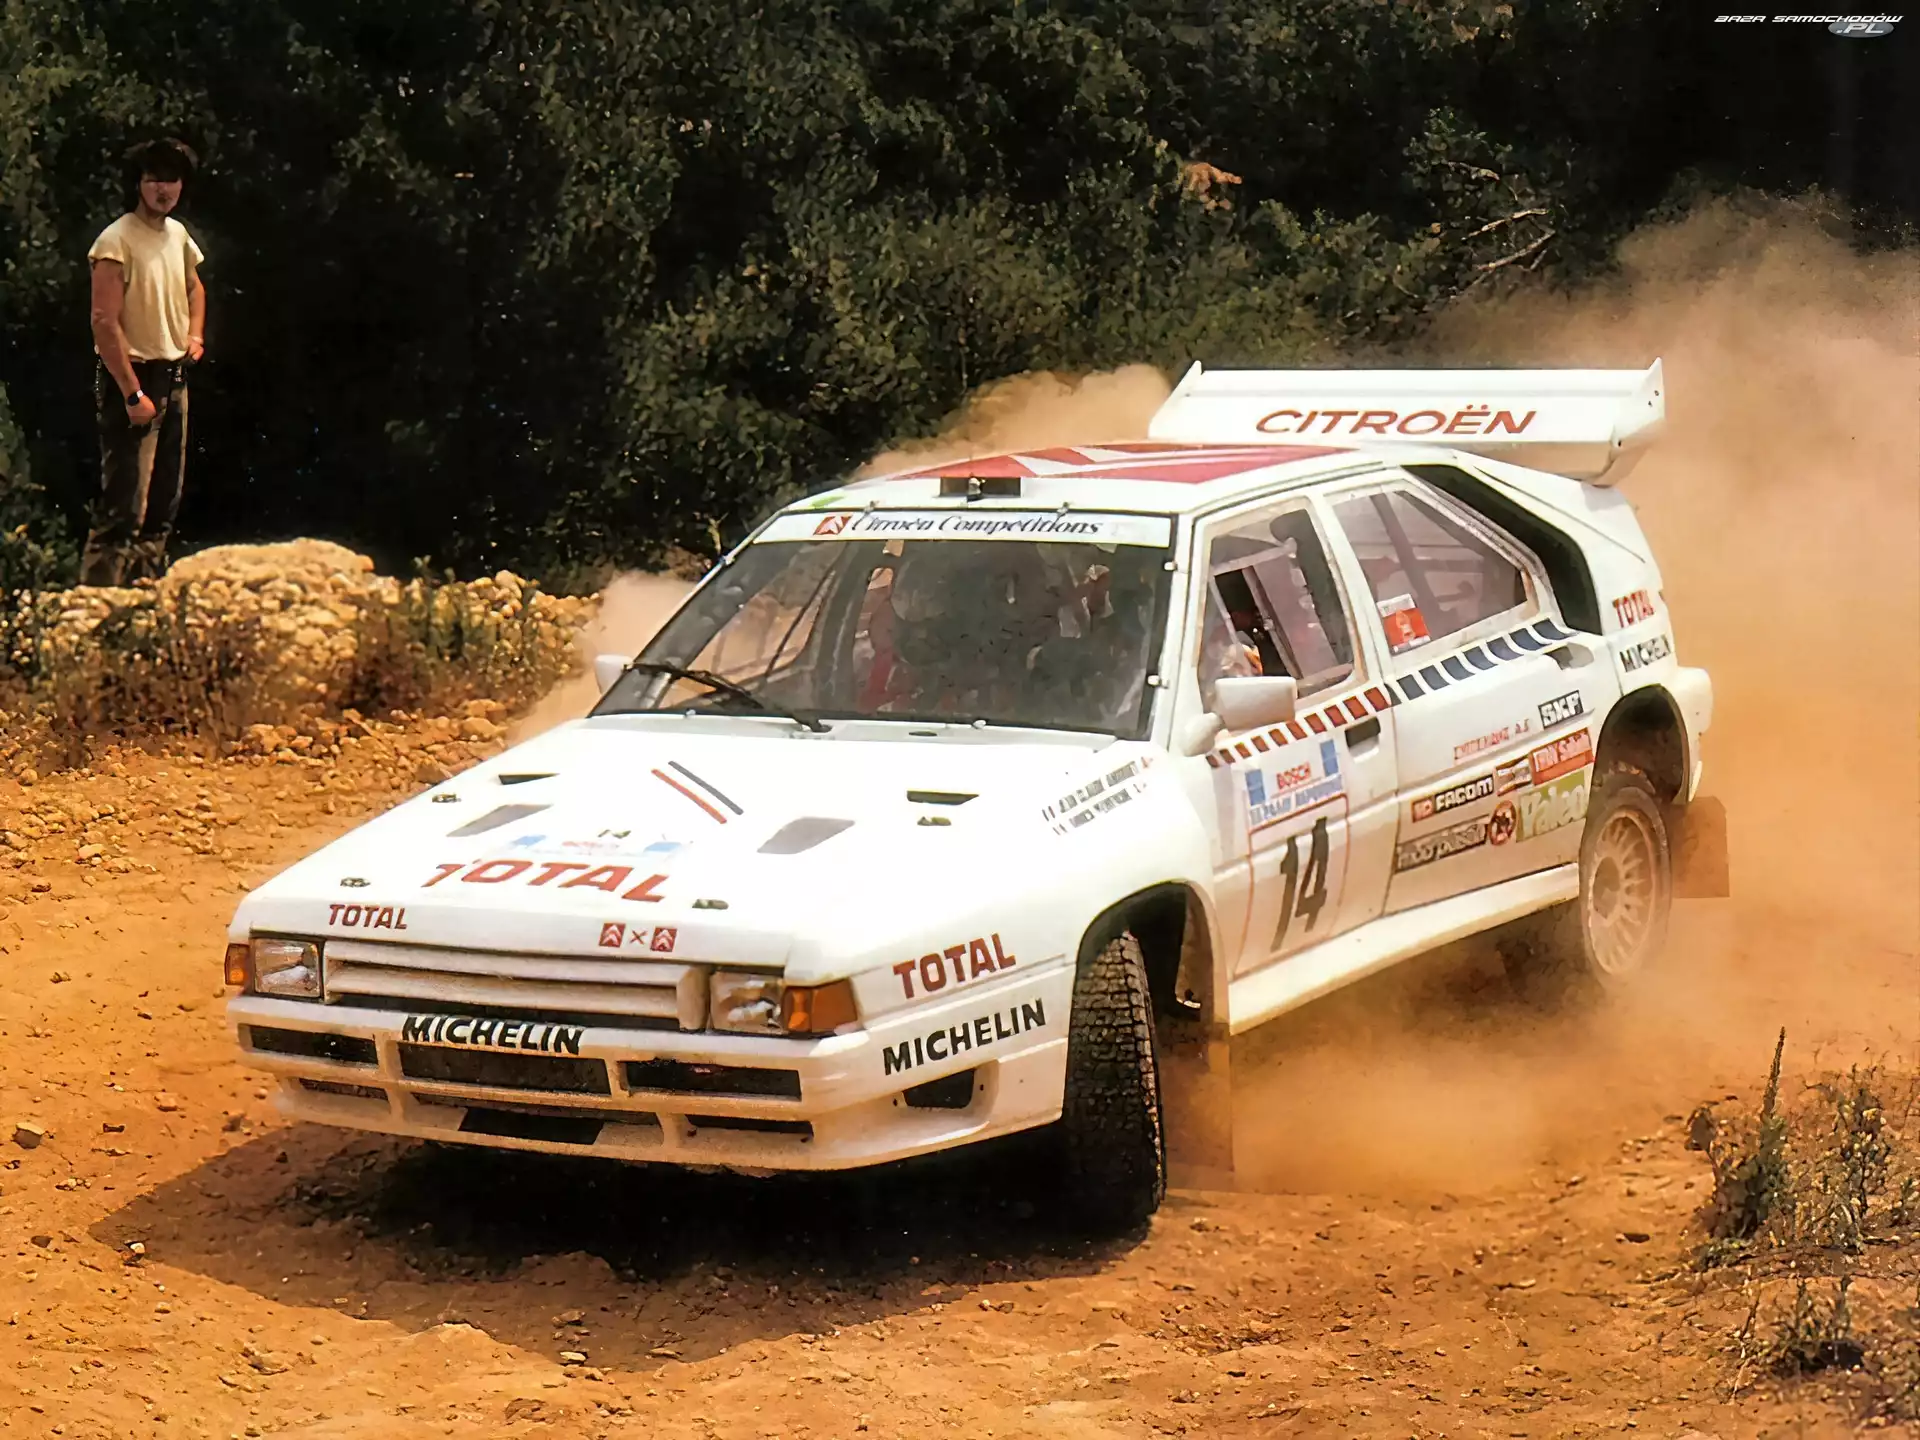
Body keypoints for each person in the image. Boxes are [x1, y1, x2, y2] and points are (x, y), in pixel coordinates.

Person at [79, 138, 208, 586]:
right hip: (133, 378)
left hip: (175, 377)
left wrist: (195, 335)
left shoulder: (178, 236)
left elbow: (195, 288)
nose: (163, 189)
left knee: (162, 504)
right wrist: (132, 394)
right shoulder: (116, 240)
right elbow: (103, 321)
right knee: (124, 507)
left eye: (172, 179)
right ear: (138, 183)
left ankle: (142, 600)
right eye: (154, 179)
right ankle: (96, 605)